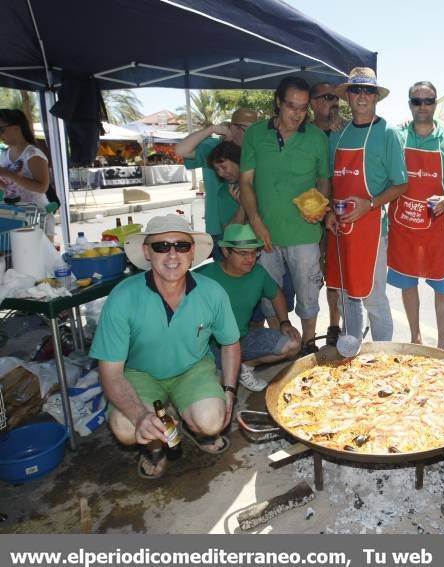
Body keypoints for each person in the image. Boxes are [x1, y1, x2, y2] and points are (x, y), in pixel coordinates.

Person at [90, 215, 241, 479]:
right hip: (139, 373)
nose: (172, 254)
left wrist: (229, 390)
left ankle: (191, 425)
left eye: (182, 245)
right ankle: (154, 445)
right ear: (147, 252)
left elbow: (230, 343)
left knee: (212, 420)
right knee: (127, 428)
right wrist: (139, 416)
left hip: (192, 369)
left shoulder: (212, 292)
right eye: (161, 246)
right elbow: (110, 372)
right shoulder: (123, 297)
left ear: (193, 252)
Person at [238, 77, 330, 355]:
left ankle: (309, 343)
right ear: (278, 103)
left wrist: (320, 205)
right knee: (269, 295)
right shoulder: (255, 134)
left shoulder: (316, 137)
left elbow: (324, 179)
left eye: (303, 109)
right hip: (264, 233)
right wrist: (255, 220)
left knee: (308, 292)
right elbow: (245, 182)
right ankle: (283, 341)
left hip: (304, 233)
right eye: (291, 106)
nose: (297, 114)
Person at [324, 67, 407, 343]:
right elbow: (330, 179)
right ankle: (352, 347)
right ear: (348, 95)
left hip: (371, 228)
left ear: (376, 97)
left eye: (368, 90)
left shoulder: (388, 133)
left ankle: (384, 353)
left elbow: (401, 184)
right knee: (347, 293)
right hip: (339, 226)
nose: (362, 96)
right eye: (356, 90)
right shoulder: (337, 133)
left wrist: (369, 204)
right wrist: (328, 213)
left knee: (373, 297)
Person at [388, 81, 444, 350]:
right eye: (417, 101)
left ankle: (442, 343)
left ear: (436, 103)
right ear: (409, 104)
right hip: (403, 226)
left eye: (428, 101)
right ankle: (415, 338)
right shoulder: (397, 136)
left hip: (435, 229)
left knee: (442, 288)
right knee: (408, 284)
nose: (423, 106)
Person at [197, 224, 300, 392]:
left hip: (242, 338)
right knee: (215, 395)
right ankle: (227, 369)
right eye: (243, 253)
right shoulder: (205, 275)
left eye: (254, 252)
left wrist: (285, 322)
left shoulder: (258, 273)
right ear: (225, 252)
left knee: (294, 344)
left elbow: (276, 295)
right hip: (209, 346)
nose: (250, 258)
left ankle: (245, 366)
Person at [176, 107, 258, 257]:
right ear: (232, 127)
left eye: (255, 130)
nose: (252, 134)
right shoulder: (213, 148)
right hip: (217, 228)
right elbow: (181, 150)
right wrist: (212, 129)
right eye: (246, 129)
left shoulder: (254, 150)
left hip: (249, 228)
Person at [311, 81, 344, 346]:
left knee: (335, 274)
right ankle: (307, 336)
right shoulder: (303, 132)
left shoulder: (346, 131)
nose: (333, 101)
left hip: (338, 214)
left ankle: (335, 326)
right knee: (311, 277)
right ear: (312, 102)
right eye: (326, 97)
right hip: (308, 216)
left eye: (335, 97)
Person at [0, 109, 54, 237]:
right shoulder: (4, 154)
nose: (0, 135)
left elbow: (42, 187)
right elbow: (9, 186)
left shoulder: (32, 154)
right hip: (14, 216)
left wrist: (8, 173)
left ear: (17, 128)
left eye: (1, 130)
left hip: (37, 216)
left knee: (38, 256)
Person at [206, 141, 246, 227]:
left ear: (238, 161)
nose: (220, 174)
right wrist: (243, 205)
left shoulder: (259, 181)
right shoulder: (224, 192)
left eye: (224, 167)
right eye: (217, 170)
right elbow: (229, 231)